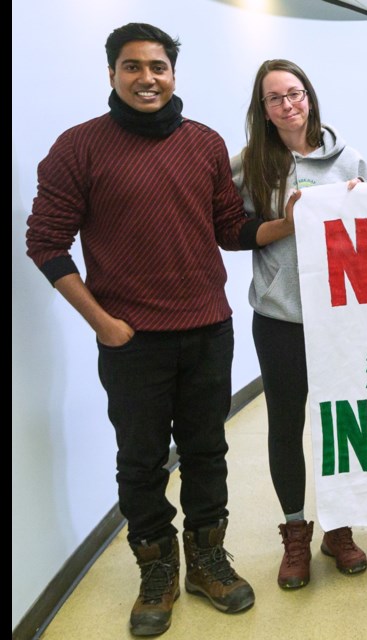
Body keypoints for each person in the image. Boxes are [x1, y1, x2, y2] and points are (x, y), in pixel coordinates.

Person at [24, 23, 294, 636]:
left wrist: (287, 222)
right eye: (132, 67)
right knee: (141, 461)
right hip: (130, 339)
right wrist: (103, 323)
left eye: (158, 66)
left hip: (207, 330)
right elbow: (45, 243)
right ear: (113, 74)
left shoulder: (203, 144)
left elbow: (230, 230)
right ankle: (156, 569)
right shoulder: (78, 148)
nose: (147, 78)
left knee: (207, 451)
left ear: (173, 73)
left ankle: (205, 561)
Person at [231, 59, 367, 589]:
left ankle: (340, 527)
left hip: (341, 318)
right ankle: (295, 532)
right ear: (262, 111)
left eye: (295, 93)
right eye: (274, 99)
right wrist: (285, 225)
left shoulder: (350, 158)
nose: (288, 105)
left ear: (309, 96)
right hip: (281, 316)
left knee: (342, 425)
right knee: (286, 426)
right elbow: (233, 232)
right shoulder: (249, 164)